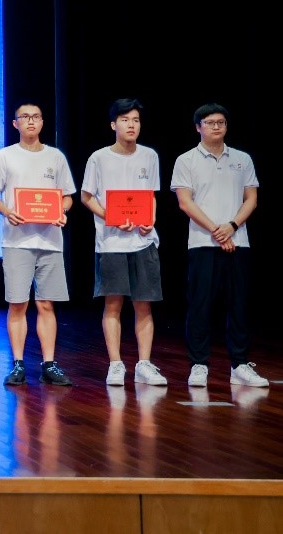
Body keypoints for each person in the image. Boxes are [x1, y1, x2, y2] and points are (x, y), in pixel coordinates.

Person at [171, 103, 266, 388]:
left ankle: (240, 365)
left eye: (221, 122)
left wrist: (231, 227)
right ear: (198, 127)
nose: (216, 127)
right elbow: (185, 202)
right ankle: (199, 364)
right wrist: (216, 230)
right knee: (200, 304)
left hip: (238, 241)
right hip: (202, 242)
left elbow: (251, 198)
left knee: (239, 305)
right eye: (210, 122)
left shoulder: (242, 159)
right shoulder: (186, 160)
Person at [0, 103, 76, 387]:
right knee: (18, 303)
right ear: (15, 123)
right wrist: (7, 211)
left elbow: (67, 196)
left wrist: (62, 211)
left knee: (47, 304)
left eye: (36, 116)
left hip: (50, 240)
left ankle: (49, 364)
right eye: (24, 117)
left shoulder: (55, 157)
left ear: (42, 121)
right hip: (16, 241)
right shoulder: (5, 155)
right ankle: (18, 364)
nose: (31, 121)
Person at [80, 98, 166, 387]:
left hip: (143, 241)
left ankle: (144, 364)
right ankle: (116, 364)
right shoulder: (99, 158)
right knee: (113, 305)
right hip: (112, 243)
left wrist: (150, 220)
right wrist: (112, 217)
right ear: (113, 125)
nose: (132, 125)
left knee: (144, 306)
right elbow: (87, 197)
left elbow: (150, 195)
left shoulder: (150, 156)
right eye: (125, 120)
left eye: (136, 120)